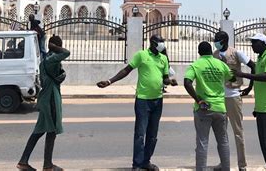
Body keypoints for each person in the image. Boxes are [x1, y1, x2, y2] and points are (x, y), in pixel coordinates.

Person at [96, 34, 178, 171]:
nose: (162, 44)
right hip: (143, 100)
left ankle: (146, 161)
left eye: (163, 42)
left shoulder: (163, 58)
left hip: (158, 100)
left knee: (153, 135)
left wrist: (170, 82)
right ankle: (137, 164)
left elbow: (164, 79)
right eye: (160, 42)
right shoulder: (141, 55)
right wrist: (109, 81)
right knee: (140, 134)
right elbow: (126, 70)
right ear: (152, 43)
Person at [17, 35, 70, 171]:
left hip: (46, 98)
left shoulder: (44, 60)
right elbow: (66, 52)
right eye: (58, 45)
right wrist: (54, 47)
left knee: (40, 131)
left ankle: (26, 162)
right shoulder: (52, 58)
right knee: (50, 131)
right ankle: (47, 165)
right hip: (50, 99)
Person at [234, 33, 266, 171]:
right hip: (262, 108)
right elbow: (257, 73)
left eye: (254, 42)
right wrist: (249, 88)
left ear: (263, 43)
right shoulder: (261, 57)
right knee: (265, 146)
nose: (252, 45)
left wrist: (243, 74)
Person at [184, 41, 234, 171]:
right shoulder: (220, 64)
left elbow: (187, 83)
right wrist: (224, 66)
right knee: (223, 141)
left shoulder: (196, 65)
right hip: (220, 108)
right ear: (211, 51)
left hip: (203, 108)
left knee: (202, 143)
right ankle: (226, 168)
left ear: (199, 52)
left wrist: (198, 99)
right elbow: (232, 78)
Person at [213, 31, 256, 171]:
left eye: (217, 40)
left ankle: (242, 165)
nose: (215, 42)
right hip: (219, 97)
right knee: (221, 133)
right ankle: (224, 163)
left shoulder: (236, 53)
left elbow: (253, 66)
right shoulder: (214, 55)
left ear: (224, 41)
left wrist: (250, 87)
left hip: (233, 95)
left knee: (237, 131)